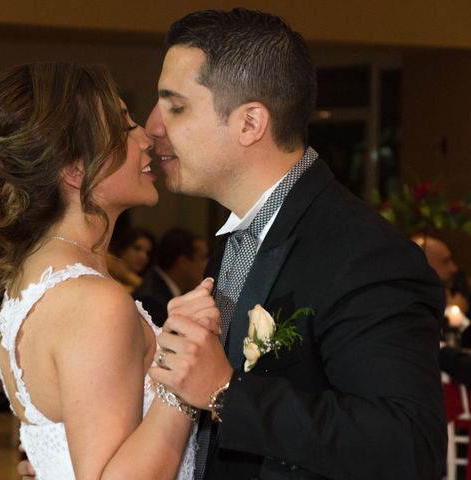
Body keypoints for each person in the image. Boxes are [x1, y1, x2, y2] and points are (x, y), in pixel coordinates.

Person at [143, 8, 446, 480]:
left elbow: (407, 444)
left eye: (176, 107)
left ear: (249, 124)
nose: (153, 128)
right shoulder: (235, 239)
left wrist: (227, 392)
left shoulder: (363, 253)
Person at [0, 62, 220, 479]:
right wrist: (178, 384)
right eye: (125, 127)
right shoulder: (93, 303)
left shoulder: (34, 276)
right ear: (73, 169)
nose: (147, 136)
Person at [134, 227, 209, 326]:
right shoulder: (151, 299)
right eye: (203, 257)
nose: (207, 264)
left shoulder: (160, 290)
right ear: (183, 262)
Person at [108, 226, 156, 292]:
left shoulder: (150, 282)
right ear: (122, 249)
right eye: (137, 248)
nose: (143, 256)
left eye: (148, 253)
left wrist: (127, 275)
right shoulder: (106, 270)